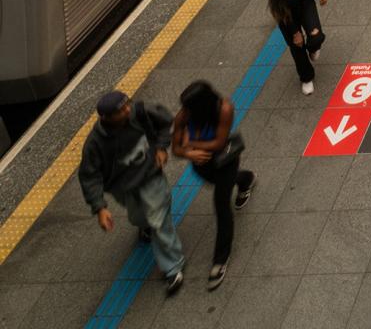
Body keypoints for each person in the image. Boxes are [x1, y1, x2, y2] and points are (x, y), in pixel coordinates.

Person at [81, 91, 185, 295]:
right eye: (121, 110)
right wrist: (99, 207)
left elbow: (165, 123)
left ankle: (173, 267)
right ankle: (145, 226)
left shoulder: (141, 112)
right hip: (124, 187)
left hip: (150, 175)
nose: (127, 110)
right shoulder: (95, 144)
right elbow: (89, 175)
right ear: (106, 118)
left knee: (159, 219)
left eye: (127, 104)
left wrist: (162, 147)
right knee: (138, 217)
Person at [170, 80, 256, 290]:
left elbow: (219, 142)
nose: (183, 111)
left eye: (188, 106)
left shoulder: (224, 108)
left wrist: (189, 145)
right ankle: (246, 179)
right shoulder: (184, 115)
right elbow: (175, 148)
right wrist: (187, 152)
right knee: (224, 184)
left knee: (221, 205)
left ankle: (220, 260)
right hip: (201, 166)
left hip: (224, 161)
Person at [264, 0, 327, 93]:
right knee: (297, 46)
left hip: (306, 4)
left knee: (316, 36)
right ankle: (306, 77)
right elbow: (283, 15)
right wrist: (295, 33)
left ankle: (313, 49)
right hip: (288, 17)